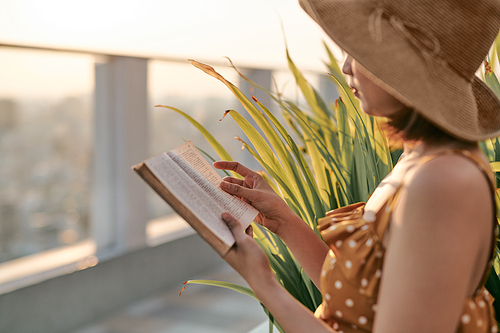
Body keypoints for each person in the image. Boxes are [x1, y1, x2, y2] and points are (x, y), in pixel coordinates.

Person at [213, 0, 500, 332]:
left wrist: (263, 283)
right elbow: (366, 300)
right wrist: (285, 223)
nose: (346, 66)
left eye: (362, 52)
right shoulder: (423, 158)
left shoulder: (443, 182)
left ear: (406, 68)